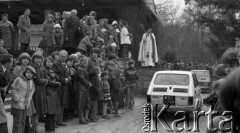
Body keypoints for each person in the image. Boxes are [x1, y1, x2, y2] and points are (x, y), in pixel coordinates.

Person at [11, 66, 36, 133]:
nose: (29, 74)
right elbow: (13, 90)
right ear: (24, 72)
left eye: (31, 73)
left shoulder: (31, 81)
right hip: (18, 104)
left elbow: (32, 89)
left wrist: (29, 98)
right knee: (17, 121)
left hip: (26, 104)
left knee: (23, 121)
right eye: (28, 72)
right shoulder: (18, 79)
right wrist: (17, 99)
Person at [31, 51, 48, 133]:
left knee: (36, 111)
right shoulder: (35, 67)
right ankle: (35, 129)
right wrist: (46, 80)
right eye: (36, 58)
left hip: (38, 90)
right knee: (36, 111)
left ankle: (34, 128)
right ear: (33, 58)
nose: (38, 60)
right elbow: (38, 80)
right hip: (36, 91)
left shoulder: (38, 66)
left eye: (40, 58)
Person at [43, 56, 61, 132]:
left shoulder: (51, 70)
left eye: (51, 62)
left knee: (52, 111)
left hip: (53, 92)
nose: (50, 63)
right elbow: (48, 82)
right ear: (45, 62)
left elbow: (56, 77)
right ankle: (49, 127)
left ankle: (51, 126)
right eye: (48, 62)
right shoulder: (44, 70)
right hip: (48, 92)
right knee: (50, 111)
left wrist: (55, 81)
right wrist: (57, 83)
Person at [52, 50, 70, 126]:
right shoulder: (55, 64)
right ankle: (55, 121)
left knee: (62, 103)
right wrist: (64, 80)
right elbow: (55, 75)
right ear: (59, 55)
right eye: (62, 56)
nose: (63, 58)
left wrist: (68, 78)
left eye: (65, 56)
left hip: (64, 87)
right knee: (57, 104)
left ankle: (60, 120)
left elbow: (67, 74)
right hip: (58, 86)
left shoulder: (65, 64)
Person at [75, 56, 91, 124]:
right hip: (81, 87)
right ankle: (81, 118)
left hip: (84, 87)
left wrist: (88, 83)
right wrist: (88, 84)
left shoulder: (83, 69)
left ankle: (84, 117)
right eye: (85, 61)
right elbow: (82, 79)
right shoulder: (80, 69)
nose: (86, 63)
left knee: (84, 102)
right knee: (81, 103)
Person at [0, 54, 13, 133]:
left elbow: (7, 83)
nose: (12, 64)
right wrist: (2, 88)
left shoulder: (8, 71)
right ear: (7, 62)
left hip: (3, 95)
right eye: (11, 62)